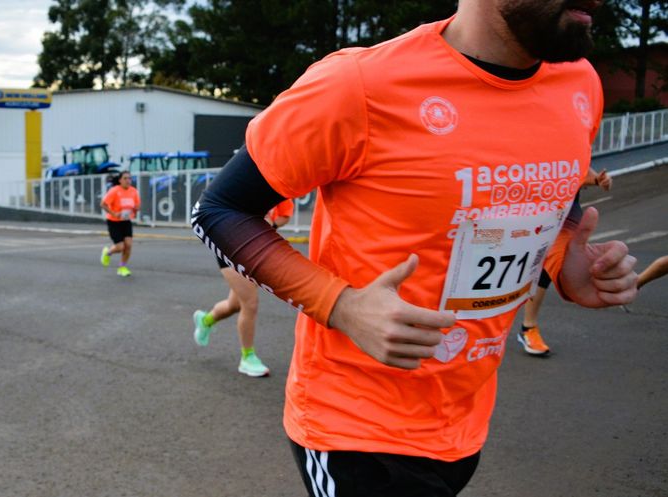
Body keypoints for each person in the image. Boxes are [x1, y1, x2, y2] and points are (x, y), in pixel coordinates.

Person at [190, 2, 639, 495]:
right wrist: (340, 306)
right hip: (356, 428)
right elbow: (219, 210)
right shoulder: (358, 85)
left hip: (465, 420)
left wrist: (563, 258)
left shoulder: (580, 83)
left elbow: (557, 186)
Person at [193, 198, 295, 377]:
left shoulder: (282, 189)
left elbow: (285, 215)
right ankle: (247, 357)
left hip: (256, 247)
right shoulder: (246, 183)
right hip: (229, 243)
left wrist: (270, 225)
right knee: (250, 303)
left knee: (235, 305)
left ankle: (206, 320)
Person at [518, 167, 612, 356]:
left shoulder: (571, 148)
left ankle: (528, 327)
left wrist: (598, 179)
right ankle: (479, 323)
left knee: (545, 268)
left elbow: (577, 166)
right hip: (523, 207)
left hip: (563, 212)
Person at [99, 170, 140, 277]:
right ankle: (107, 252)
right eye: (125, 178)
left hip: (126, 221)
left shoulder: (134, 191)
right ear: (120, 180)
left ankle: (122, 267)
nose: (128, 180)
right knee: (120, 247)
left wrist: (136, 210)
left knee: (128, 245)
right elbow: (103, 204)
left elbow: (137, 206)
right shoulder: (114, 191)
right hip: (114, 222)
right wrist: (114, 213)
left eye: (129, 178)